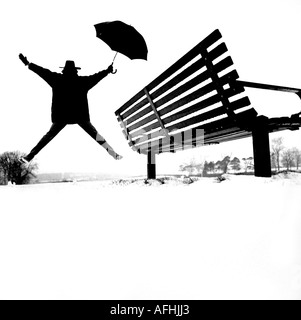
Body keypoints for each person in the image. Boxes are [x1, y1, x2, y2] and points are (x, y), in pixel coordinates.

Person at [19, 54, 123, 164]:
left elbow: (42, 72)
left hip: (61, 116)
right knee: (96, 135)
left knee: (48, 137)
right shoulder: (82, 82)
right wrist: (107, 71)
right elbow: (96, 77)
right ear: (75, 71)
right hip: (80, 115)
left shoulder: (56, 79)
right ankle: (113, 154)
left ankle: (29, 156)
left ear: (64, 70)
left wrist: (28, 64)